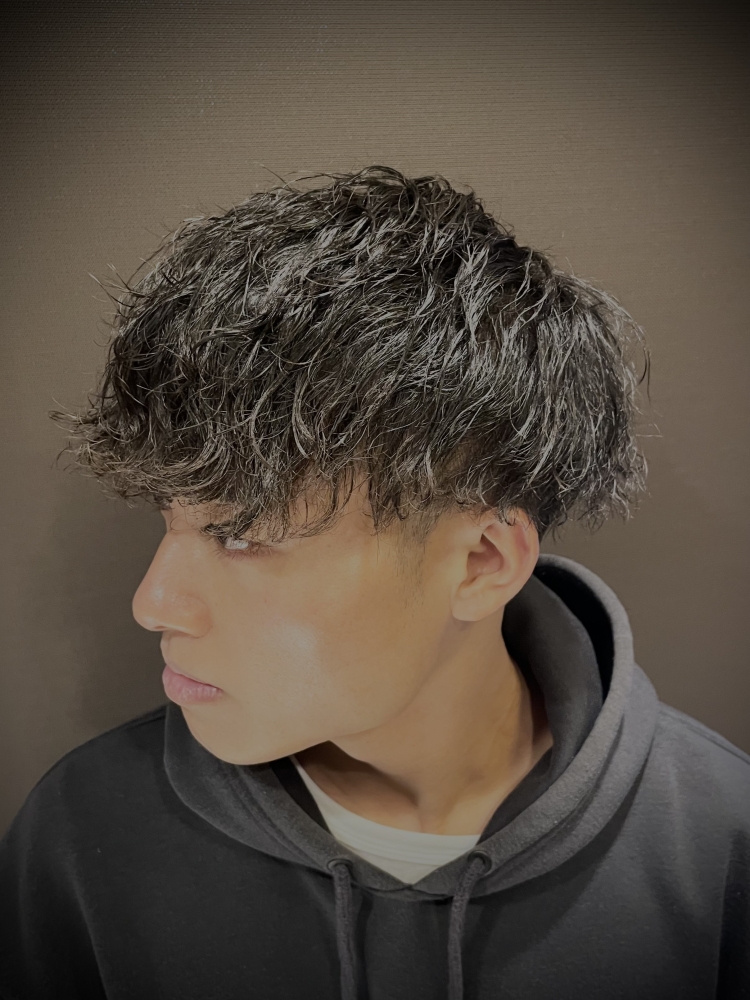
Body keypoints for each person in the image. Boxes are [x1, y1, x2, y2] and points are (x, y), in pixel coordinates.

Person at [0, 165, 747, 1000]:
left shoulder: (719, 845)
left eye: (241, 535)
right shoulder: (84, 834)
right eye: (168, 521)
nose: (152, 604)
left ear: (482, 562)